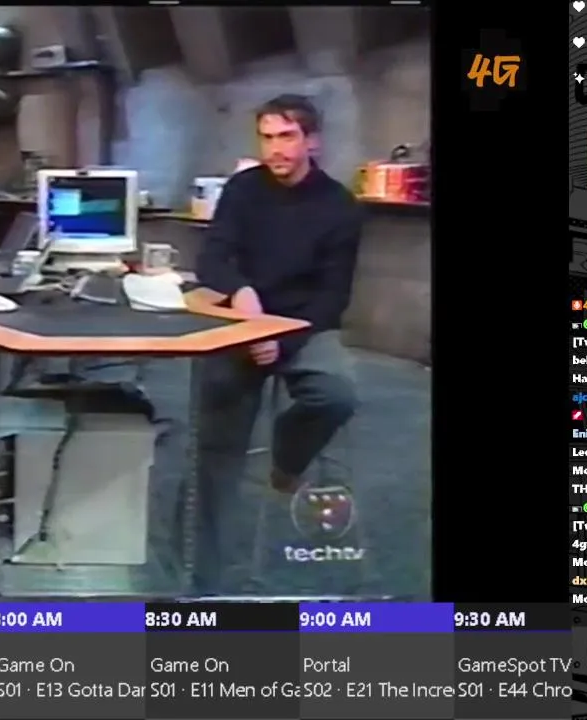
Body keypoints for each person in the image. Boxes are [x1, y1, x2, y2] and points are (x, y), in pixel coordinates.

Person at [192, 94, 363, 596]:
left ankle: (286, 462)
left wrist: (280, 339)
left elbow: (332, 298)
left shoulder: (339, 206)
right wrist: (240, 293)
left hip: (301, 327)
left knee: (337, 393)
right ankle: (202, 584)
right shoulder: (243, 190)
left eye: (286, 137)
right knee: (215, 452)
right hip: (240, 323)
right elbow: (213, 260)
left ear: (312, 142)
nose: (274, 149)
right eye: (266, 137)